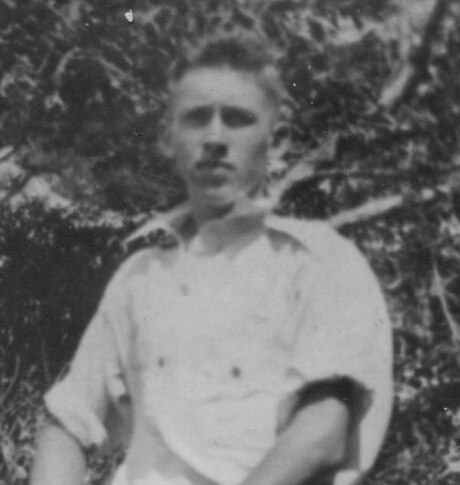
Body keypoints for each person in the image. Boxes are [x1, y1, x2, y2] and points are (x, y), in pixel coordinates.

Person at [30, 35, 393, 485]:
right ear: (169, 139)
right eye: (197, 119)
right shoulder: (141, 278)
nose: (215, 138)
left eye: (238, 119)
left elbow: (322, 433)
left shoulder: (319, 261)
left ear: (275, 141)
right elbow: (67, 421)